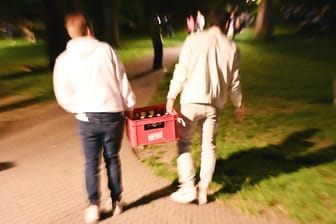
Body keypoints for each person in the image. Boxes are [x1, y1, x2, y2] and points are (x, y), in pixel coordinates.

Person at [53, 12, 136, 223]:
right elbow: (121, 80)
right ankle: (117, 201)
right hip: (112, 115)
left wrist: (77, 108)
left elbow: (62, 92)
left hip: (86, 118)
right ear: (89, 29)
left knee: (91, 163)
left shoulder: (63, 59)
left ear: (70, 34)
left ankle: (93, 206)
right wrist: (129, 105)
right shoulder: (106, 50)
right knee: (112, 159)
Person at [166, 8, 245, 205]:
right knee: (208, 146)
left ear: (209, 23)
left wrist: (171, 96)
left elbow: (181, 69)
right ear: (227, 24)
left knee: (184, 143)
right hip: (214, 104)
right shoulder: (232, 47)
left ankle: (187, 187)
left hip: (190, 101)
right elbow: (234, 82)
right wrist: (238, 104)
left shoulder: (194, 40)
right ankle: (203, 189)